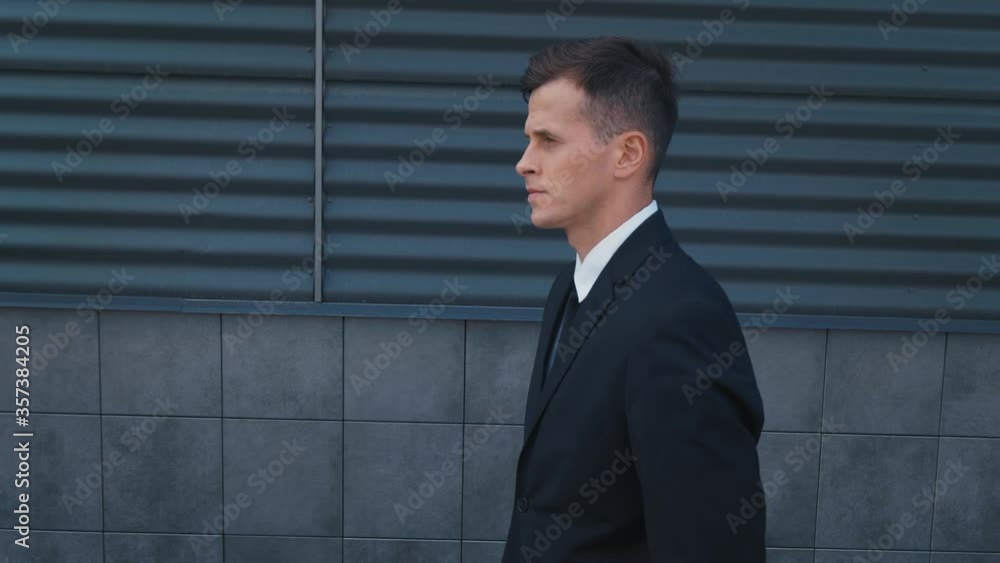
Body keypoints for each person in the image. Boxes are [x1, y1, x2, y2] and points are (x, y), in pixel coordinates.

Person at [503, 36, 766, 563]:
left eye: (548, 140)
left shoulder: (680, 317)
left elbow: (709, 545)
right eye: (528, 140)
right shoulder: (569, 288)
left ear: (627, 154)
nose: (523, 163)